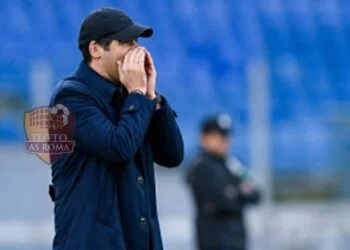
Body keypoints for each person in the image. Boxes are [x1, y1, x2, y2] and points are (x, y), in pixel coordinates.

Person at [48, 8, 184, 250]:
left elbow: (172, 155)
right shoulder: (70, 98)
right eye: (125, 42)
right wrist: (137, 95)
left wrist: (154, 98)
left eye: (136, 41)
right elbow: (118, 147)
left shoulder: (132, 96)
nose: (136, 50)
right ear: (96, 49)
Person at [186, 114, 260, 250]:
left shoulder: (232, 163)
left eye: (225, 137)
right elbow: (222, 200)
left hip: (237, 240)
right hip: (214, 242)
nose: (223, 141)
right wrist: (240, 193)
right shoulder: (201, 165)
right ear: (204, 137)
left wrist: (234, 193)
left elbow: (256, 193)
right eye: (218, 136)